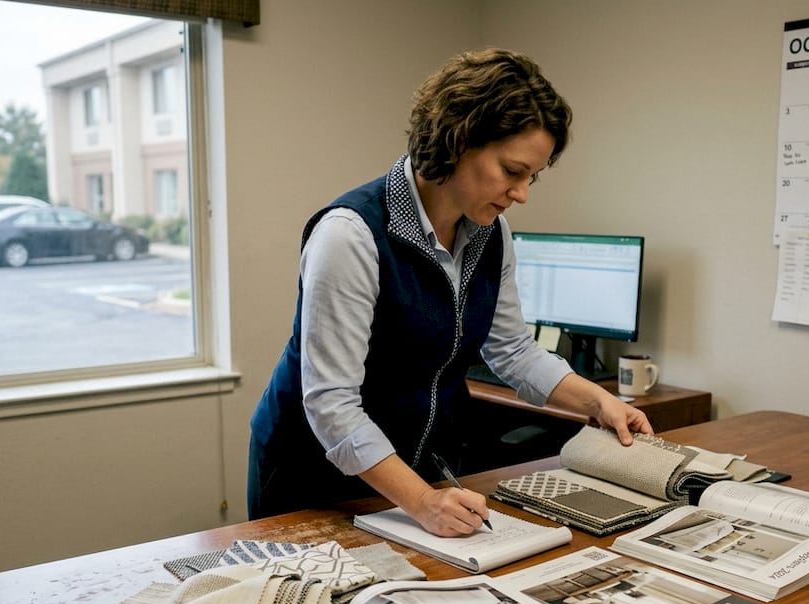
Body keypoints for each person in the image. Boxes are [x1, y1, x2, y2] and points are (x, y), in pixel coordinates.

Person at [249, 48, 653, 536]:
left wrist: (598, 402)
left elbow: (514, 351)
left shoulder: (490, 234)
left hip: (409, 472)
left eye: (533, 176)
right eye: (512, 171)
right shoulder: (349, 236)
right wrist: (421, 500)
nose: (522, 193)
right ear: (458, 142)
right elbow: (332, 404)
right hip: (313, 476)